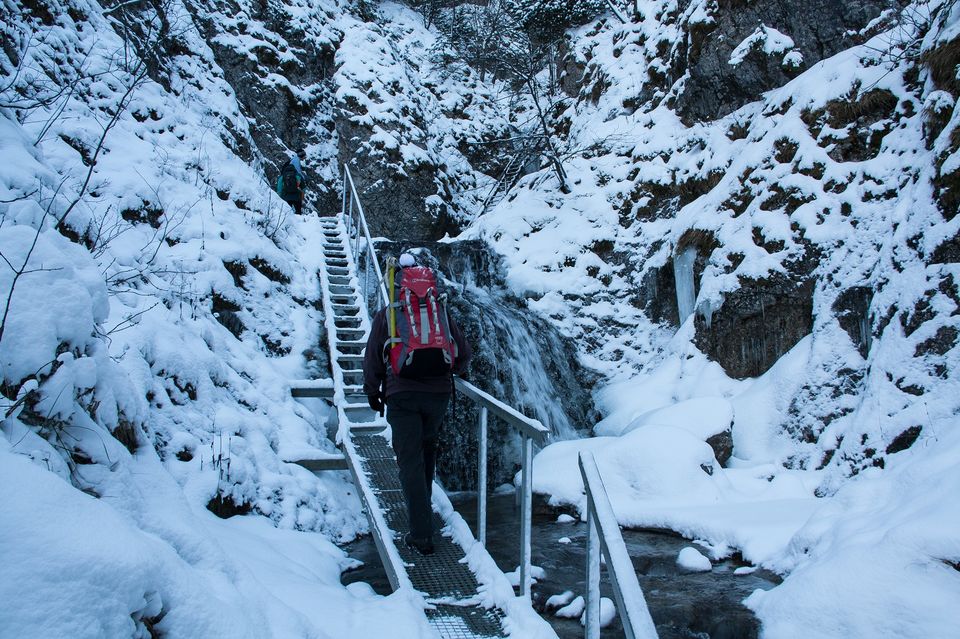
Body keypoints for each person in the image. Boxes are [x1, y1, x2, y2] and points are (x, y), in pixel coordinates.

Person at [362, 252, 472, 556]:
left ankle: (421, 535)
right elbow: (461, 350)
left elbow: (373, 356)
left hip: (403, 395)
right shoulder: (439, 310)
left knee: (409, 462)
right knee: (426, 452)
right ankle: (423, 514)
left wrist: (372, 390)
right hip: (438, 395)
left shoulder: (391, 313)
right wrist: (458, 370)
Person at [278, 149, 305, 215]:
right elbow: (303, 186)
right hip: (296, 196)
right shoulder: (297, 175)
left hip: (286, 196)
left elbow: (279, 187)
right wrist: (302, 197)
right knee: (298, 212)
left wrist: (279, 196)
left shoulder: (283, 176)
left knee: (287, 214)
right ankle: (300, 224)